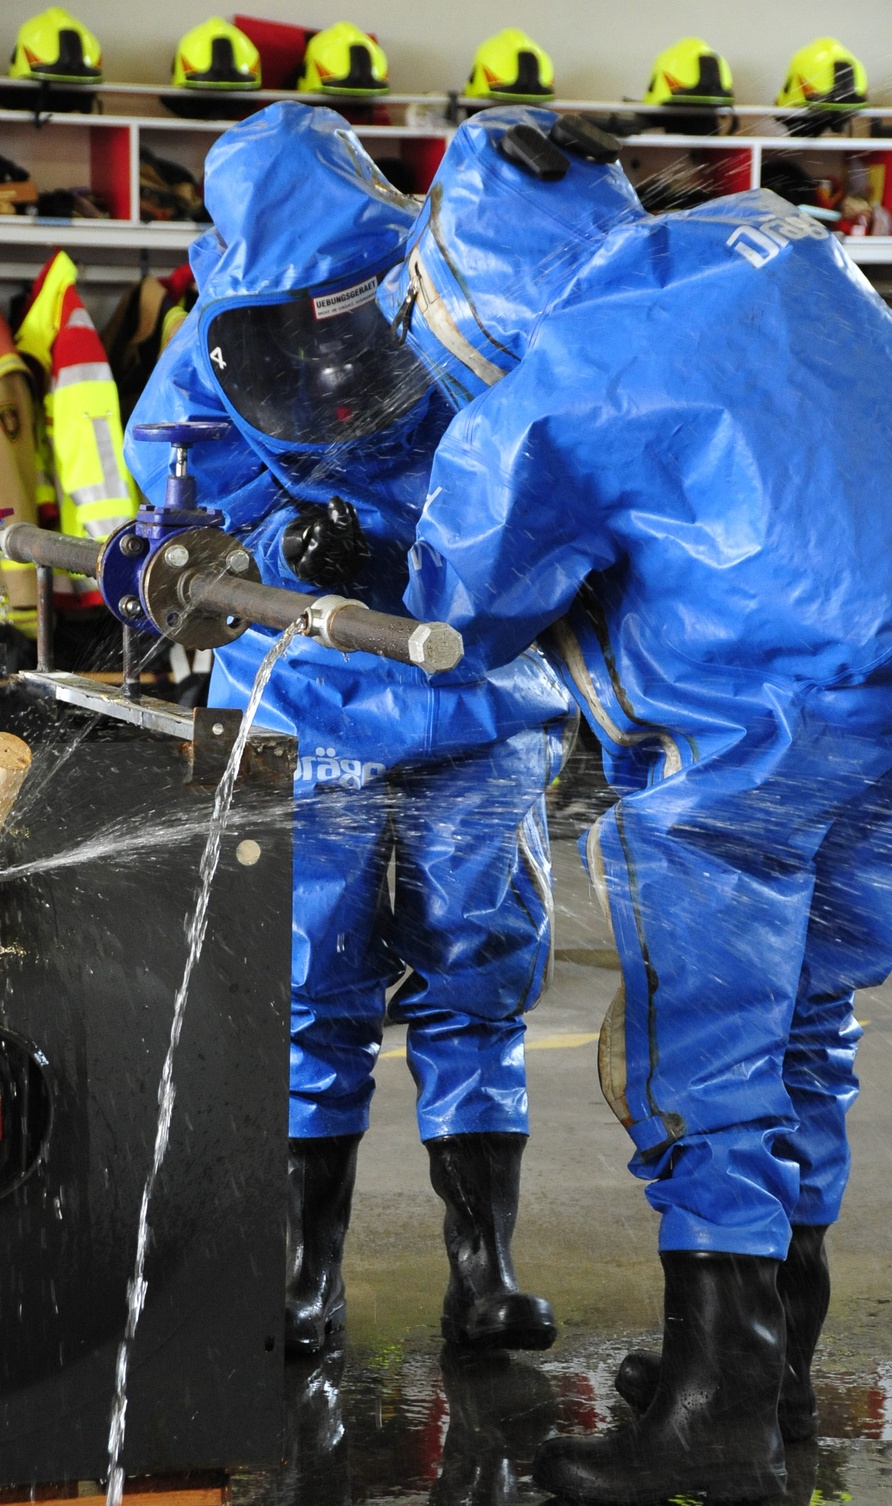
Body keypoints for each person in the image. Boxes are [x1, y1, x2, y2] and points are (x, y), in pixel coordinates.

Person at [377, 106, 892, 1502]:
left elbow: (461, 615)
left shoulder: (556, 378)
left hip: (754, 714)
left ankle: (710, 1422)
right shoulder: (766, 241)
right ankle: (773, 1365)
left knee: (708, 1036)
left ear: (469, 278)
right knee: (807, 1015)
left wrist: (373, 559)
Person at [126, 102, 638, 1358]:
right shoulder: (209, 348)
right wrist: (273, 543)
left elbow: (548, 465)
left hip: (476, 697)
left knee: (481, 975)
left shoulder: (456, 305)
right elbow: (172, 484)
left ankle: (485, 1278)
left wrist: (407, 544)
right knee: (314, 982)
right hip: (309, 702)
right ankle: (305, 1281)